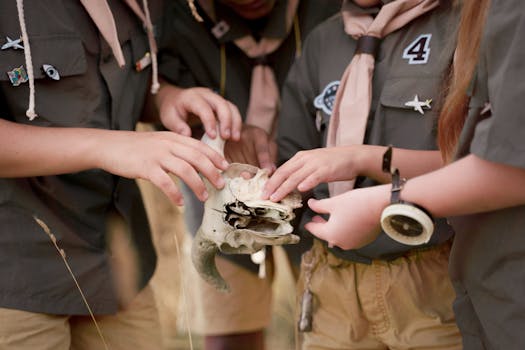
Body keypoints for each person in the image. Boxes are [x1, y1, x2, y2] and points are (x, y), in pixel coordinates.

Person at [267, 0, 525, 348]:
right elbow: (291, 158)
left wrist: (366, 161)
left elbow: (486, 160)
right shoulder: (321, 42)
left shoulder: (464, 24)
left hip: (430, 273)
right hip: (333, 282)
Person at [0, 1, 240, 349]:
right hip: (15, 276)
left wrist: (169, 99)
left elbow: (111, 84)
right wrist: (108, 147)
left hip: (116, 263)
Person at [158, 1, 342, 349]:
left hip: (322, 189)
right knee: (230, 327)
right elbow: (153, 88)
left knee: (331, 319)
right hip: (220, 191)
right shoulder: (174, 15)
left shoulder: (330, 10)